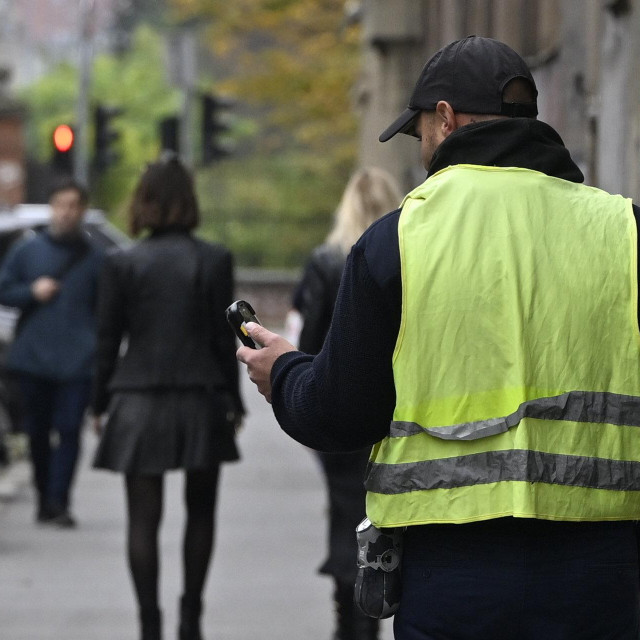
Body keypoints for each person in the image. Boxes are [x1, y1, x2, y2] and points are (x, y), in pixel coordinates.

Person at [236, 36, 640, 640]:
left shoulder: (397, 240)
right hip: (605, 572)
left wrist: (286, 372)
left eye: (420, 130)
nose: (423, 149)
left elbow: (342, 413)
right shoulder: (623, 229)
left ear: (445, 119)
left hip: (453, 574)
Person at [90, 153, 243, 640]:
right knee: (202, 512)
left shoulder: (120, 262)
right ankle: (190, 619)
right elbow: (225, 340)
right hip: (199, 394)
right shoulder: (214, 259)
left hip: (137, 396)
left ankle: (149, 626)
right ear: (189, 200)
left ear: (144, 202)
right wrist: (233, 401)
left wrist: (98, 403)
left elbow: (107, 339)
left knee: (142, 519)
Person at [296, 167, 401, 640]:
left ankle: (351, 624)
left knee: (346, 518)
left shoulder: (325, 261)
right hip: (401, 412)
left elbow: (306, 341)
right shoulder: (409, 255)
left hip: (339, 410)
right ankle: (381, 612)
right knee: (393, 516)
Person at [0, 178, 103, 528]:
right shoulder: (28, 251)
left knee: (70, 430)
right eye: (61, 205)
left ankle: (59, 501)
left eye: (74, 205)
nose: (67, 212)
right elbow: (4, 289)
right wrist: (31, 290)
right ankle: (44, 497)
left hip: (78, 362)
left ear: (83, 210)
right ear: (51, 207)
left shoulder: (96, 259)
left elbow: (108, 311)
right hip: (33, 361)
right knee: (38, 433)